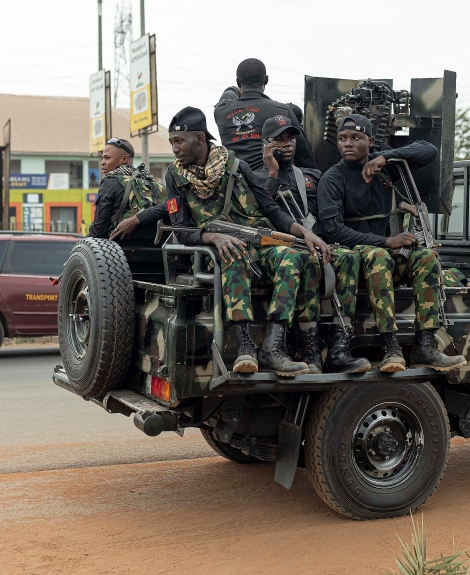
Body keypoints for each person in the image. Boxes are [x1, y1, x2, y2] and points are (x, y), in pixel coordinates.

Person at [111, 107, 332, 377]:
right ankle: (245, 347)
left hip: (258, 243)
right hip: (216, 252)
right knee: (232, 251)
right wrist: (213, 237)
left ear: (200, 140)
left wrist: (304, 233)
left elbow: (270, 208)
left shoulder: (237, 167)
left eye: (179, 141)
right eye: (172, 143)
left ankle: (273, 348)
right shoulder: (174, 177)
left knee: (296, 258)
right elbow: (180, 229)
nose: (175, 149)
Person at [317, 114, 467, 373]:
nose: (347, 144)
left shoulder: (384, 169)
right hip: (354, 262)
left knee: (426, 257)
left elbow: (428, 150)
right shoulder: (332, 179)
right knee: (379, 256)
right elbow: (334, 232)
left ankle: (425, 345)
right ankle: (391, 348)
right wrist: (387, 241)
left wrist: (386, 157)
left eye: (356, 138)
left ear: (370, 141)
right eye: (342, 139)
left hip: (386, 255)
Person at [253, 117, 370, 374]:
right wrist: (272, 172)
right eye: (279, 139)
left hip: (319, 245)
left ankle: (339, 350)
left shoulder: (312, 175)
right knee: (307, 260)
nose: (286, 144)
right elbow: (259, 214)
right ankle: (311, 350)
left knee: (349, 257)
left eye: (290, 139)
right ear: (266, 144)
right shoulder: (255, 178)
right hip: (283, 249)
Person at [213, 58, 315, 171]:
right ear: (266, 80)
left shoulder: (221, 111)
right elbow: (305, 158)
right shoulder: (282, 110)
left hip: (235, 184)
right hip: (271, 181)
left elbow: (228, 94)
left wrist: (234, 88)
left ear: (238, 82)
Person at [88, 138, 163, 239]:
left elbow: (98, 230)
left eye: (107, 158)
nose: (102, 162)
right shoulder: (151, 183)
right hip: (155, 246)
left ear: (124, 159)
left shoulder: (110, 182)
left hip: (120, 248)